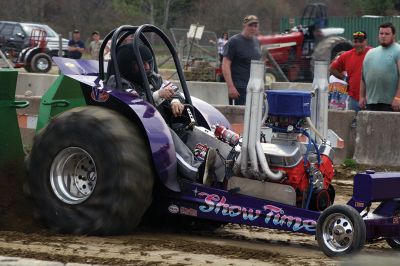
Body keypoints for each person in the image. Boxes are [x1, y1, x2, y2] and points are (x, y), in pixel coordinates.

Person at [106, 43, 218, 183]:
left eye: (148, 63)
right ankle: (195, 171)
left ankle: (217, 160)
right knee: (166, 133)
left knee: (186, 130)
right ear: (128, 66)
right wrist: (159, 94)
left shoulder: (153, 77)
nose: (146, 67)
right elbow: (135, 105)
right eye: (141, 64)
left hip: (159, 124)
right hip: (136, 131)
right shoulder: (118, 82)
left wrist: (175, 102)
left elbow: (173, 90)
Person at [360, 22, 400, 112]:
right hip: (370, 103)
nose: (383, 36)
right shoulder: (370, 53)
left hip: (392, 104)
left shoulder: (398, 50)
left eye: (387, 34)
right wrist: (362, 97)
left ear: (393, 35)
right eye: (381, 33)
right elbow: (363, 78)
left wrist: (398, 98)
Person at [222, 15, 261, 105]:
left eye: (255, 26)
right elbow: (225, 65)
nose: (253, 28)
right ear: (244, 26)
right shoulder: (234, 41)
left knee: (252, 117)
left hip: (254, 88)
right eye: (250, 25)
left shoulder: (257, 42)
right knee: (239, 118)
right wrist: (231, 87)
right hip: (238, 90)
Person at [329, 31, 371, 112]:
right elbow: (332, 69)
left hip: (370, 99)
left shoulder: (372, 53)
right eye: (355, 41)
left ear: (366, 41)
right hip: (353, 99)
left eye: (361, 41)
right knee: (351, 123)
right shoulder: (346, 55)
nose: (358, 44)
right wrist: (345, 78)